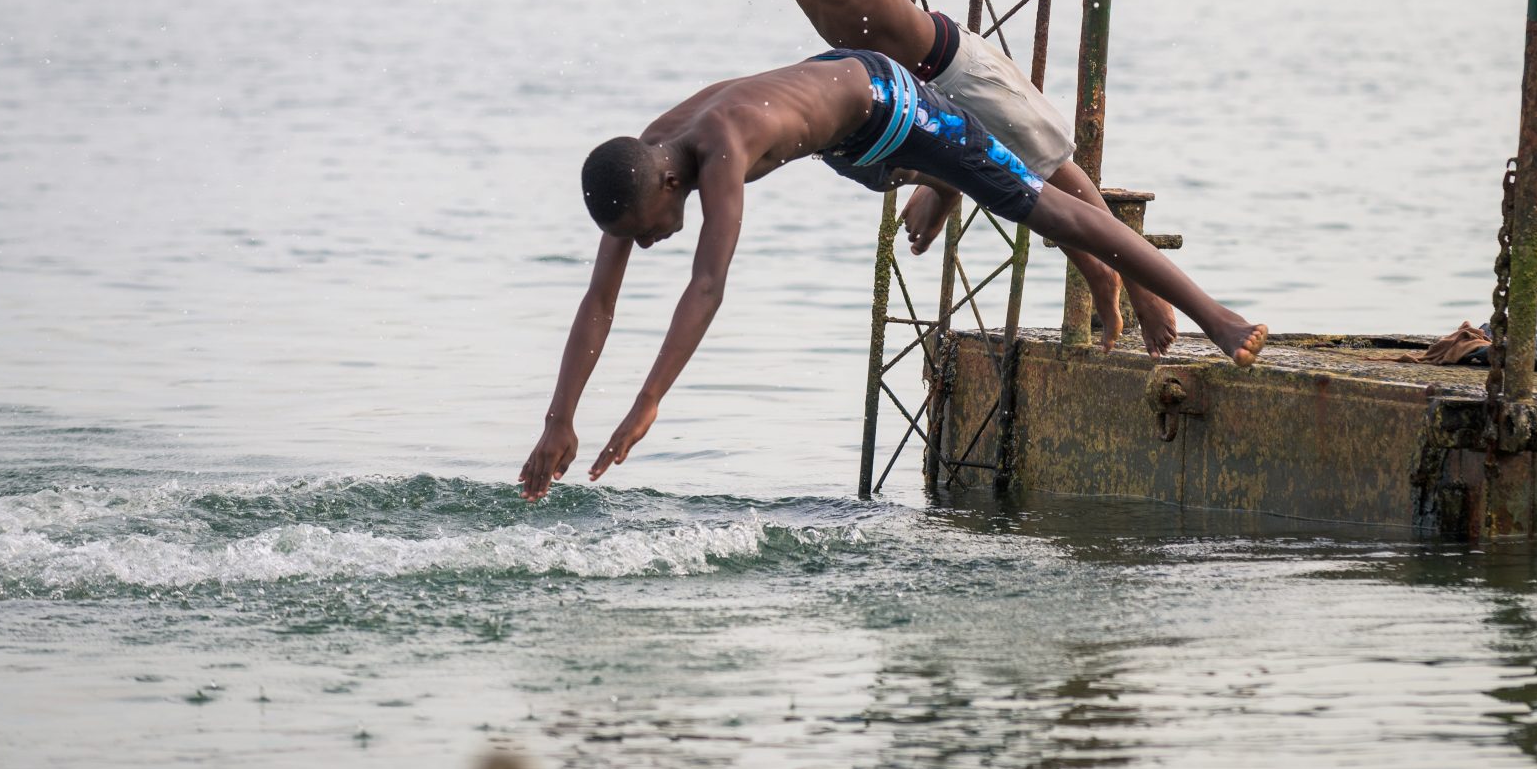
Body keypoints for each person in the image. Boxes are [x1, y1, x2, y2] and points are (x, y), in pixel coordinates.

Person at [489, 0, 1179, 354]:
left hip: (948, 66)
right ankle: (1042, 242)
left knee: (1054, 172)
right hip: (895, 96)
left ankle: (1139, 289)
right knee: (976, 175)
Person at [515, 52, 1267, 499]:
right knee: (907, 175)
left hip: (890, 103)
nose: (644, 244)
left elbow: (706, 287)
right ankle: (944, 181)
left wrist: (648, 400)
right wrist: (559, 419)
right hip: (836, 123)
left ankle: (1213, 314)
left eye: (643, 231)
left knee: (1045, 208)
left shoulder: (721, 151)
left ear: (667, 187)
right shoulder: (640, 159)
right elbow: (599, 298)